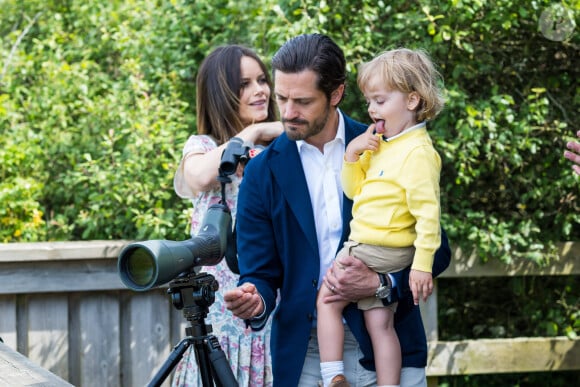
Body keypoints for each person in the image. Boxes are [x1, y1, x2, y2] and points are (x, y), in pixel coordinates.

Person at [224, 33, 451, 387]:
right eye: (282, 98)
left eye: (302, 101)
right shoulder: (261, 171)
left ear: (336, 94)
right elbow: (260, 273)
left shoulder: (392, 146)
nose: (287, 113)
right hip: (307, 357)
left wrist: (382, 283)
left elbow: (436, 247)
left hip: (393, 349)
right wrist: (255, 298)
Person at [316, 48, 445, 387]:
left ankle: (332, 376)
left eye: (380, 100)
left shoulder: (417, 152)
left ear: (413, 100)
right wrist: (352, 154)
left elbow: (428, 215)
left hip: (374, 246)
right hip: (383, 250)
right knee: (380, 324)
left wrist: (422, 265)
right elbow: (355, 189)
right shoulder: (383, 144)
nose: (371, 109)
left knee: (327, 299)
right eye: (369, 101)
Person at [171, 44, 283, 387]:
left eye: (262, 80)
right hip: (219, 316)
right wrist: (253, 133)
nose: (260, 90)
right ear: (221, 94)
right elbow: (200, 177)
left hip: (270, 304)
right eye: (244, 85)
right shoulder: (202, 146)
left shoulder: (276, 152)